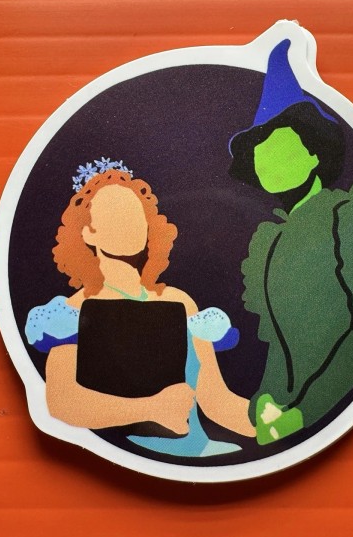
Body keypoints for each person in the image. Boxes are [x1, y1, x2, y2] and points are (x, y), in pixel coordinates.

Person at [228, 40, 353, 445]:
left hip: (343, 411)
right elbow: (277, 340)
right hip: (288, 418)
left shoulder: (352, 215)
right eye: (260, 153)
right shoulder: (270, 242)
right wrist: (267, 400)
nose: (268, 160)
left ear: (314, 154)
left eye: (281, 147)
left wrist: (308, 411)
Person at [25, 160, 255, 457]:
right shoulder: (73, 312)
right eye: (112, 217)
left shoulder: (180, 302)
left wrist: (281, 424)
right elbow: (62, 402)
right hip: (122, 460)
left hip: (200, 455)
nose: (127, 225)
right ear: (88, 233)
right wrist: (151, 408)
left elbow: (217, 402)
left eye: (135, 216)